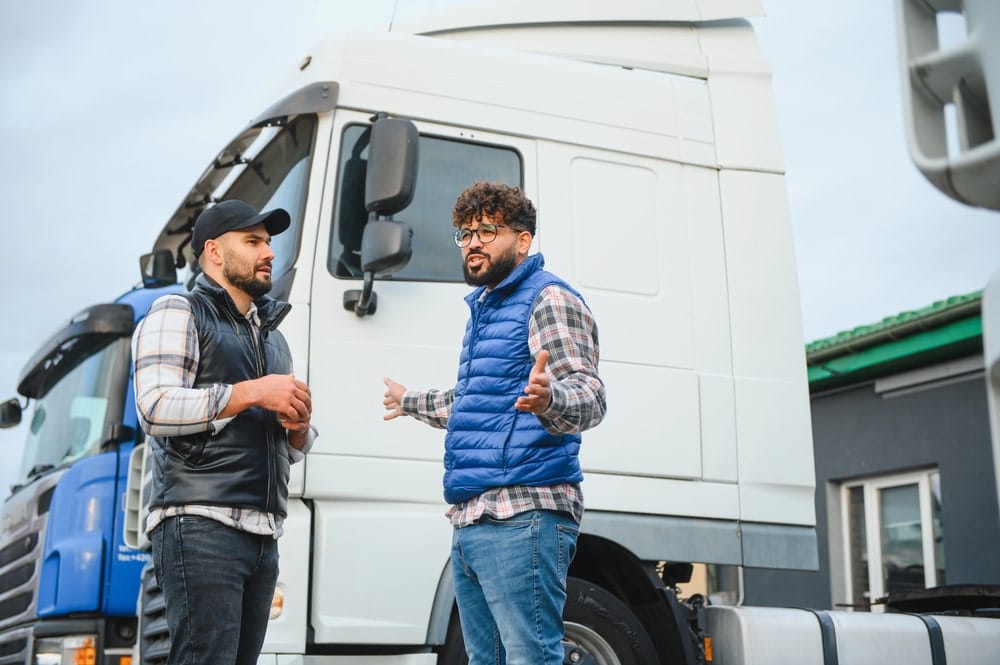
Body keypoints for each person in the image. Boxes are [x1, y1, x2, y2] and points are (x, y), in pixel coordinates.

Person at [382, 181, 606, 665]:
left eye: (488, 229)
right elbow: (477, 404)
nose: (474, 241)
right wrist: (410, 401)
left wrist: (550, 399)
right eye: (464, 233)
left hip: (524, 513)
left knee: (531, 658)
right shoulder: (488, 308)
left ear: (523, 241)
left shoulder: (547, 299)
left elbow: (589, 397)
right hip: (473, 517)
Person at [132, 199, 315, 665]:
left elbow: (283, 447)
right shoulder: (178, 310)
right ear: (214, 251)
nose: (268, 252)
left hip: (261, 534)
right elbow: (154, 407)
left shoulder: (274, 338)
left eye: (269, 242)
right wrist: (253, 392)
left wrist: (298, 429)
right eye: (252, 242)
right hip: (200, 525)